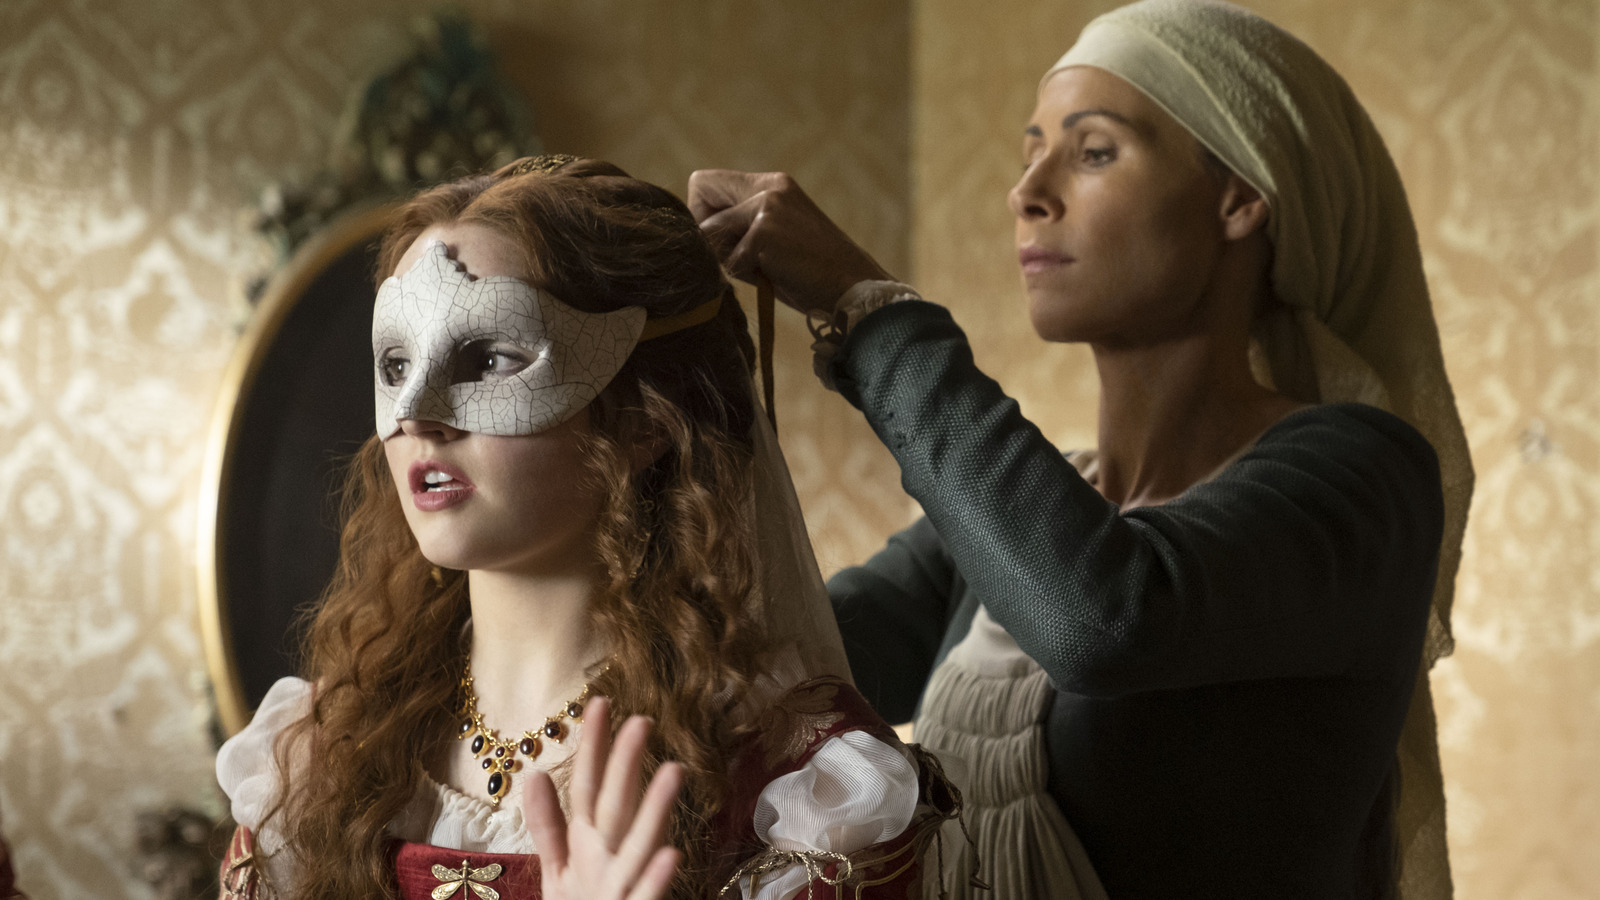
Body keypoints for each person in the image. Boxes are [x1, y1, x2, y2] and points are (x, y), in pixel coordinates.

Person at [688, 1, 1472, 897]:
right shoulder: (1019, 515)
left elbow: (1101, 620)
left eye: (1093, 152)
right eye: (1030, 153)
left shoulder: (1362, 475)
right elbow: (775, 663)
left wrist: (866, 305)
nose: (1027, 191)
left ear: (1241, 199)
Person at [214, 155, 957, 900]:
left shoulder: (799, 786)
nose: (416, 414)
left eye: (490, 357)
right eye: (397, 363)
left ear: (645, 419)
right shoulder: (318, 755)